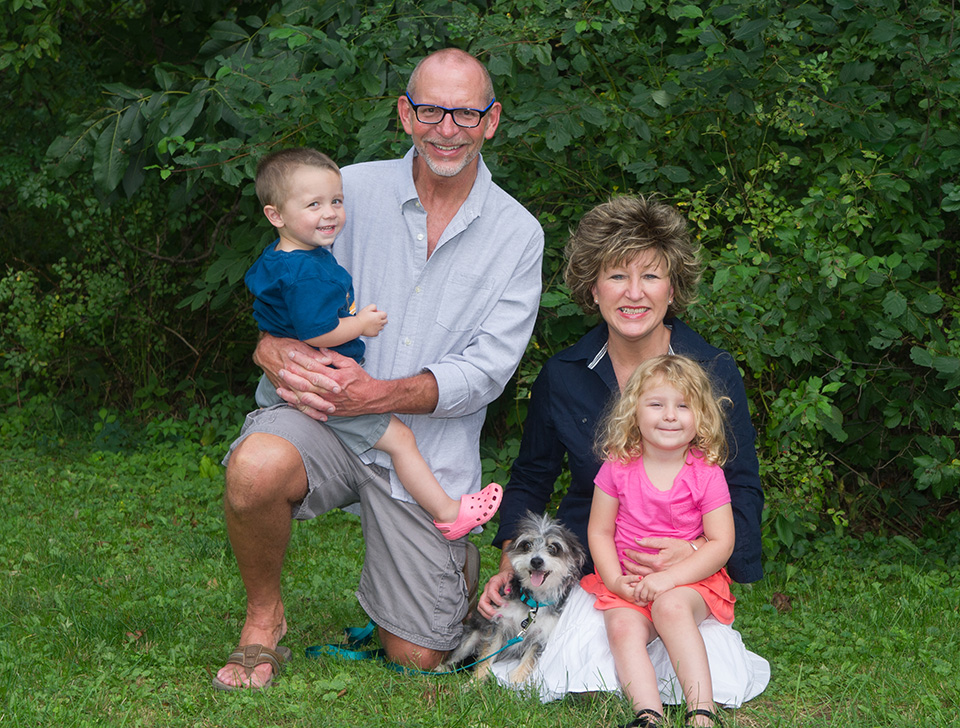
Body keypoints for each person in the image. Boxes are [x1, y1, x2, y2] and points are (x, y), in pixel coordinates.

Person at [214, 48, 544, 690]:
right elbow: (284, 282)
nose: (447, 128)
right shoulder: (345, 191)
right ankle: (263, 619)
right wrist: (267, 345)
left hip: (425, 452)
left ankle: (444, 569)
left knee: (417, 657)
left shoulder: (518, 232)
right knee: (254, 468)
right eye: (430, 110)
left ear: (492, 121)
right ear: (405, 114)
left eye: (466, 113)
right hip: (322, 416)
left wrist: (380, 394)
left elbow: (488, 370)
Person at [481, 194, 763, 616]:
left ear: (673, 289)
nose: (634, 293)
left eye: (650, 276)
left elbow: (741, 486)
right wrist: (511, 562)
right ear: (593, 290)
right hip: (587, 568)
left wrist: (695, 550)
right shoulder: (562, 376)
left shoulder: (713, 372)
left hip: (685, 575)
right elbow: (531, 478)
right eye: (616, 276)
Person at [244, 147, 503, 540]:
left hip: (300, 377)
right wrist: (359, 324)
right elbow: (316, 333)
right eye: (314, 204)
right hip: (326, 383)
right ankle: (449, 512)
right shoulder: (306, 273)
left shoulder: (281, 257)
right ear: (275, 215)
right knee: (400, 440)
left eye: (336, 201)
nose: (329, 213)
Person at [582, 355, 736, 728]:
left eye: (683, 406)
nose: (670, 415)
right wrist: (616, 581)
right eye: (656, 404)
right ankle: (647, 713)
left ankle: (701, 710)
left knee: (669, 607)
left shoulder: (707, 474)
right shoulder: (617, 468)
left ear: (701, 416)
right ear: (633, 412)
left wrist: (669, 580)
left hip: (690, 582)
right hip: (629, 580)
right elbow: (599, 531)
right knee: (621, 626)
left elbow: (721, 543)